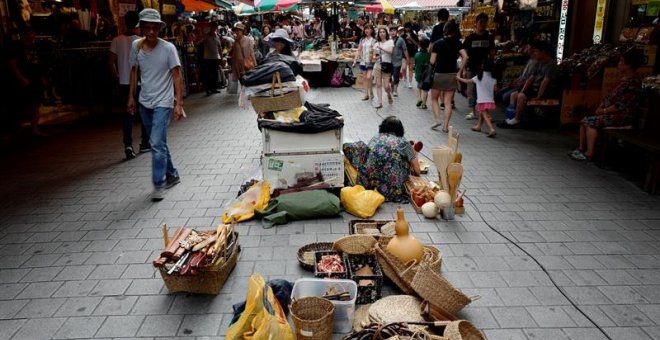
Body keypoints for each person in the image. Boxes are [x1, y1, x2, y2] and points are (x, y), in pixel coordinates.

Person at [128, 9, 183, 201]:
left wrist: (178, 103)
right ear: (141, 28)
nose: (151, 32)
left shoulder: (168, 48)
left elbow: (177, 76)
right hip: (145, 101)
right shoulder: (136, 46)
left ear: (160, 28)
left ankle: (158, 184)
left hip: (164, 101)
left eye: (155, 28)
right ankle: (173, 174)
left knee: (157, 143)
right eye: (147, 28)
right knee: (157, 142)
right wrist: (131, 98)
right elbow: (134, 72)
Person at [570, 49, 644, 161]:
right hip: (611, 113)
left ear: (629, 65)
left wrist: (604, 111)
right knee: (585, 120)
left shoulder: (633, 83)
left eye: (621, 61)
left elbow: (621, 105)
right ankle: (581, 149)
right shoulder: (623, 80)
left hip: (622, 117)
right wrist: (601, 106)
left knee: (590, 122)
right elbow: (610, 97)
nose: (618, 64)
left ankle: (589, 153)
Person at [344, 116, 421, 202]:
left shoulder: (376, 137)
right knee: (405, 160)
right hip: (393, 187)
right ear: (400, 129)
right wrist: (413, 155)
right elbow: (417, 171)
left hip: (370, 183)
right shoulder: (404, 143)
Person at [110, 10, 150, 160]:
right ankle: (145, 143)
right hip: (139, 83)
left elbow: (110, 62)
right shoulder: (142, 41)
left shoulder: (116, 40)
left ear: (124, 23)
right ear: (138, 23)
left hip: (124, 83)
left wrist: (117, 75)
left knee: (128, 116)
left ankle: (128, 145)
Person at [503, 40, 558, 127]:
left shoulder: (551, 65)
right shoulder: (538, 62)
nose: (534, 53)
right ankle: (512, 116)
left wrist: (538, 97)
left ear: (543, 52)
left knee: (521, 97)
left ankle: (517, 119)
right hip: (534, 88)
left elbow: (545, 82)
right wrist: (523, 90)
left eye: (536, 51)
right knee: (514, 95)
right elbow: (530, 78)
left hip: (545, 91)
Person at [429, 20, 467, 132]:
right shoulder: (457, 43)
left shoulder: (437, 43)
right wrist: (459, 71)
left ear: (445, 30)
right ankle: (445, 126)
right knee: (447, 102)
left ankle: (437, 120)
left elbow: (432, 61)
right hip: (452, 75)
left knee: (434, 98)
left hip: (439, 74)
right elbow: (465, 57)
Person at [462, 13, 495, 120]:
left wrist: (491, 66)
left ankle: (486, 113)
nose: (483, 24)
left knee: (485, 92)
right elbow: (464, 55)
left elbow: (492, 53)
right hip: (471, 68)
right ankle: (472, 111)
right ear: (476, 23)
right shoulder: (469, 38)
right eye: (481, 22)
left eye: (485, 22)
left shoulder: (489, 38)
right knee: (471, 91)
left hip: (485, 69)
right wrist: (463, 69)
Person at [456, 59, 497, 137]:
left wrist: (459, 78)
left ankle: (491, 129)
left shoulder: (479, 76)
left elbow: (467, 81)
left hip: (482, 100)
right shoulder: (493, 77)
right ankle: (478, 126)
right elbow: (495, 89)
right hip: (490, 99)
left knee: (484, 114)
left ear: (483, 66)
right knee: (483, 113)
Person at [353, 24, 376, 102]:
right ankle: (366, 94)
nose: (367, 30)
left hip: (371, 61)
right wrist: (355, 60)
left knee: (369, 77)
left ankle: (371, 91)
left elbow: (376, 52)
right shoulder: (362, 39)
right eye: (366, 29)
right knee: (365, 78)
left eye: (369, 29)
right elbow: (359, 50)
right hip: (363, 61)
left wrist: (374, 57)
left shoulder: (374, 40)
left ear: (372, 30)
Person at [372, 27, 394, 109]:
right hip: (378, 66)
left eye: (383, 32)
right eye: (380, 32)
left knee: (386, 86)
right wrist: (375, 57)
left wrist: (381, 48)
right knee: (378, 85)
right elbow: (374, 55)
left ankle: (388, 94)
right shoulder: (376, 44)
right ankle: (380, 102)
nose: (382, 33)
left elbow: (391, 52)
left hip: (387, 66)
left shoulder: (390, 42)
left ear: (386, 33)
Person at [202, 22, 222, 96]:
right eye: (212, 27)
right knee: (208, 74)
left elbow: (219, 48)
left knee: (215, 74)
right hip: (207, 58)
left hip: (215, 58)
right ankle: (208, 89)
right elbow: (199, 42)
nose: (213, 28)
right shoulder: (206, 36)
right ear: (210, 27)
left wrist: (221, 58)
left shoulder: (217, 36)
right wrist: (204, 36)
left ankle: (213, 88)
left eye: (215, 27)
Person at [389, 26, 407, 97]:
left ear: (397, 32)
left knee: (396, 76)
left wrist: (407, 59)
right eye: (391, 31)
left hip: (397, 61)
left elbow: (405, 49)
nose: (393, 32)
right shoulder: (388, 40)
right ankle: (392, 86)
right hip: (388, 61)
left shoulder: (401, 40)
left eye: (394, 31)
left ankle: (395, 90)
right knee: (389, 77)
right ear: (389, 32)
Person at [414, 37, 431, 110]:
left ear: (419, 45)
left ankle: (419, 99)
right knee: (425, 90)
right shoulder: (429, 55)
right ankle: (424, 104)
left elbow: (416, 64)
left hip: (419, 74)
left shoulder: (417, 54)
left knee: (419, 87)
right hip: (427, 75)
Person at [402, 22, 418, 88]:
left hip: (412, 53)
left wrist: (410, 39)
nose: (407, 29)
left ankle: (410, 83)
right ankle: (405, 78)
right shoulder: (402, 36)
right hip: (404, 54)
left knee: (411, 68)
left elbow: (417, 44)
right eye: (406, 27)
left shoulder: (414, 35)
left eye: (409, 27)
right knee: (403, 67)